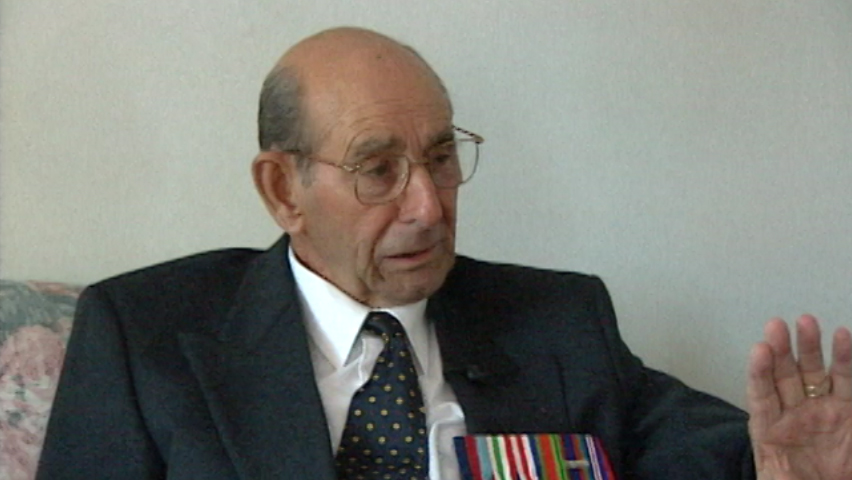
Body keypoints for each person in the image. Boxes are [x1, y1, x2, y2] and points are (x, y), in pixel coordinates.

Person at [37, 27, 852, 480]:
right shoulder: (145, 336)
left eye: (440, 157)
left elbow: (714, 452)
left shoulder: (558, 321)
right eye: (379, 170)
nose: (428, 206)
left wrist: (781, 467)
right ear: (284, 190)